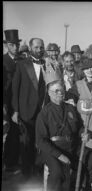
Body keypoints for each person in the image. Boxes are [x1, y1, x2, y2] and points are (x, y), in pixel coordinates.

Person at [35, 67, 82, 191]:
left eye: (61, 90)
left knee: (85, 164)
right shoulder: (44, 113)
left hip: (70, 146)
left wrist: (83, 133)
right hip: (51, 149)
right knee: (56, 171)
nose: (60, 93)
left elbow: (80, 128)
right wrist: (60, 155)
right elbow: (40, 141)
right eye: (55, 91)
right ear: (49, 93)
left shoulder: (71, 108)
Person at [66, 58, 92, 191]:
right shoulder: (78, 85)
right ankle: (78, 181)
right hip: (80, 125)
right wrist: (71, 99)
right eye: (87, 68)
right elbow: (70, 97)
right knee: (80, 156)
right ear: (83, 71)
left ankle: (91, 183)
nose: (90, 70)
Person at [11, 38, 46, 177]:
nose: (39, 49)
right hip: (26, 109)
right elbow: (15, 88)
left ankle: (38, 167)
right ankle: (26, 171)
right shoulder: (21, 64)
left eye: (41, 47)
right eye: (37, 47)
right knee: (27, 141)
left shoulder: (48, 65)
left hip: (43, 110)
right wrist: (15, 110)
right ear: (31, 48)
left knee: (41, 140)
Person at [3, 29, 22, 173]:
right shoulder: (4, 61)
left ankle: (15, 161)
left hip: (22, 102)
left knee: (19, 133)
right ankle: (8, 163)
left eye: (16, 44)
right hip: (7, 103)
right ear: (6, 45)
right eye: (11, 45)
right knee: (9, 134)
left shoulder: (23, 60)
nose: (15, 48)